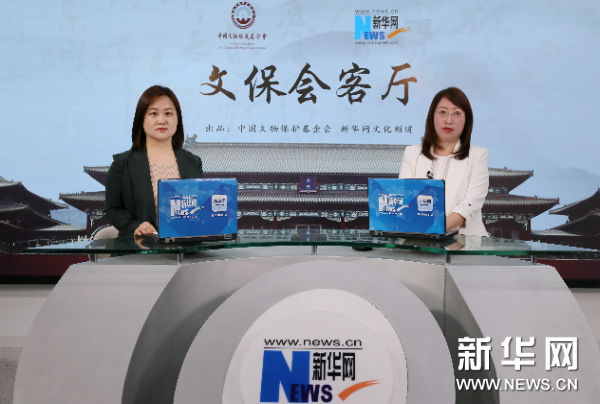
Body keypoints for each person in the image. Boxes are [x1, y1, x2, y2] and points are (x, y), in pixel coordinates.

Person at [105, 85, 203, 237]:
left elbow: (199, 207)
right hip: (140, 247)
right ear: (141, 119)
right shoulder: (122, 164)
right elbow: (113, 209)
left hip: (185, 246)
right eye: (153, 113)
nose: (161, 120)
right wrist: (135, 226)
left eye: (168, 113)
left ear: (177, 119)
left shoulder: (193, 162)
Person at [399, 87, 489, 236]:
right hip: (419, 240)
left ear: (466, 119)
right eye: (442, 112)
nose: (449, 120)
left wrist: (433, 229)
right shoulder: (412, 153)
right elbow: (405, 198)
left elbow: (469, 206)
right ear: (432, 116)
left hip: (465, 241)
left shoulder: (478, 155)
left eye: (457, 113)